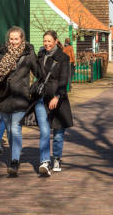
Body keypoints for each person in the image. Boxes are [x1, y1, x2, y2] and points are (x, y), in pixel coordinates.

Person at [0, 26, 41, 177]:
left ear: (21, 39)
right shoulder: (2, 53)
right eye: (11, 39)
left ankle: (14, 161)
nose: (13, 42)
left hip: (20, 97)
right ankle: (13, 155)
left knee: (16, 128)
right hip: (4, 96)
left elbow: (38, 73)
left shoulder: (28, 54)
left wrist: (34, 88)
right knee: (9, 130)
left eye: (16, 39)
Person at [33, 30, 73, 176]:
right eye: (45, 41)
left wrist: (57, 96)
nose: (47, 44)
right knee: (44, 131)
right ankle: (44, 161)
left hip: (58, 99)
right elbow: (37, 74)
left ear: (56, 41)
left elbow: (64, 79)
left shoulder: (63, 58)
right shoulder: (40, 55)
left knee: (58, 133)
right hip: (42, 98)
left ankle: (56, 158)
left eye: (49, 41)